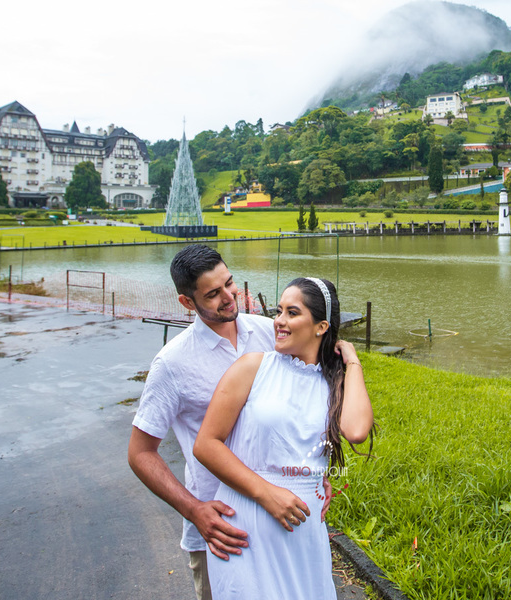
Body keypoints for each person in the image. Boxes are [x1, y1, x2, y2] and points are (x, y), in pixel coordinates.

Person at [127, 245, 331, 600]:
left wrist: (317, 470)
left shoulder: (270, 332)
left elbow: (305, 402)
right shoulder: (172, 364)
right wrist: (194, 510)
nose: (228, 296)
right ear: (187, 303)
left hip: (285, 519)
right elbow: (140, 453)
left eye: (229, 283)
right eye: (212, 293)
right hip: (222, 529)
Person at [194, 276, 374, 600]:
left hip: (302, 539)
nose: (279, 321)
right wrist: (266, 493)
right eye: (279, 311)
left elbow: (357, 431)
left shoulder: (333, 384)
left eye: (292, 313)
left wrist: (351, 359)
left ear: (320, 327)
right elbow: (206, 444)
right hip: (246, 529)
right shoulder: (253, 367)